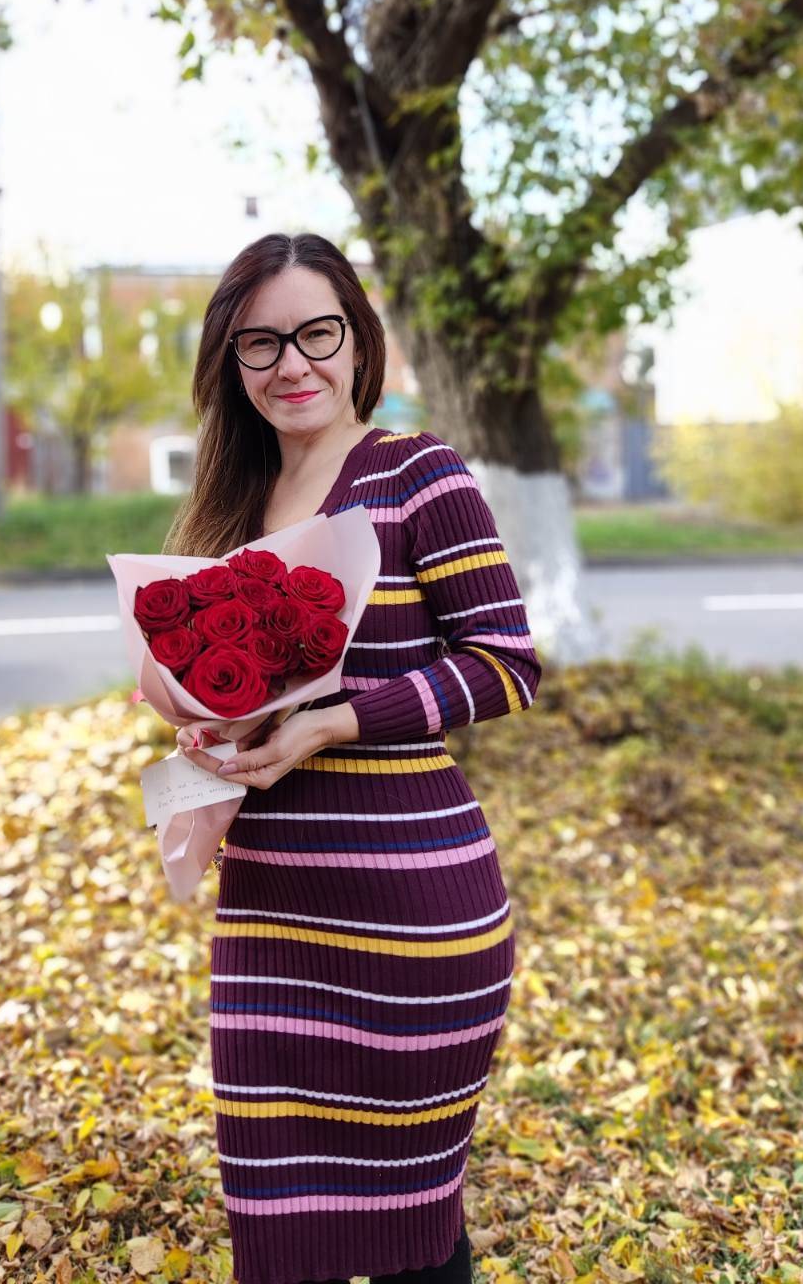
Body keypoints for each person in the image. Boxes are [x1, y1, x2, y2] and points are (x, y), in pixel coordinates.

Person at [163, 232, 543, 1284]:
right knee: (281, 1228)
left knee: (413, 1232)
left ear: (359, 340)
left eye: (316, 333)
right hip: (271, 917)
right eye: (260, 343)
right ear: (231, 361)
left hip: (411, 919)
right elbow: (229, 688)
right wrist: (214, 729)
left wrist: (337, 723)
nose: (292, 364)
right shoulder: (232, 506)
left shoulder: (418, 473)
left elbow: (508, 665)